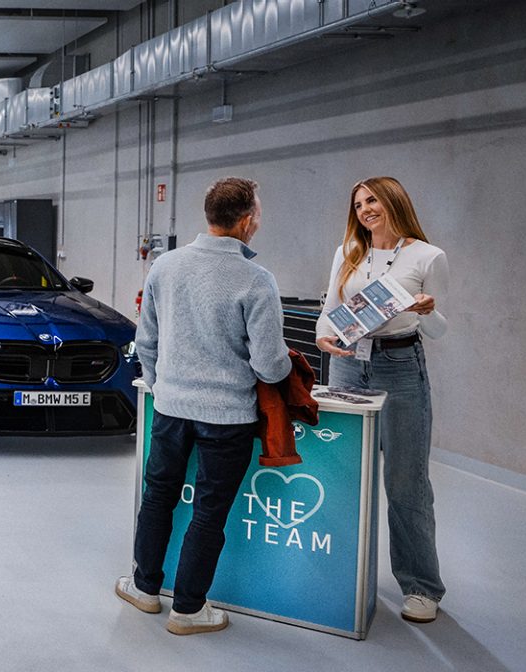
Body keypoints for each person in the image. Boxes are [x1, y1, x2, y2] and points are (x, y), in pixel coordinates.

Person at [118, 177, 291, 635]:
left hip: (171, 410)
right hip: (227, 418)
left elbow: (146, 339)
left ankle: (144, 589)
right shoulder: (257, 280)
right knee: (209, 512)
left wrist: (161, 384)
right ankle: (189, 610)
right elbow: (271, 366)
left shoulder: (166, 266)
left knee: (157, 498)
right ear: (248, 221)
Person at [313, 176, 450, 624]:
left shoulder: (428, 256)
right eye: (358, 204)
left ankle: (420, 586)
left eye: (372, 200)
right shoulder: (347, 252)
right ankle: (340, 571)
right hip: (350, 363)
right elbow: (330, 307)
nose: (365, 209)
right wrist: (323, 338)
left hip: (400, 366)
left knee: (406, 480)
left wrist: (425, 310)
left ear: (393, 201)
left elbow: (440, 328)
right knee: (343, 471)